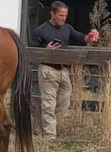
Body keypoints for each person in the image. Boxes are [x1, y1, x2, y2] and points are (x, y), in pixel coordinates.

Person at [30, 1, 99, 139]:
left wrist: (91, 36)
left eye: (65, 15)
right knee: (48, 103)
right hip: (48, 69)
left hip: (63, 70)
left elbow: (81, 38)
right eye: (60, 15)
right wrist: (46, 50)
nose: (63, 18)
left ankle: (42, 127)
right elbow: (32, 52)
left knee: (64, 102)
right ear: (52, 14)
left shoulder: (67, 28)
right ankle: (49, 136)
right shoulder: (40, 30)